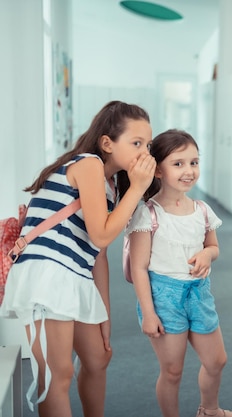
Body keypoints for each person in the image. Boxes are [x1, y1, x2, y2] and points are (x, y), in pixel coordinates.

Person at [0, 101, 156, 417]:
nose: (144, 152)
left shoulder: (111, 186)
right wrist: (137, 189)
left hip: (75, 275)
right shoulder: (88, 165)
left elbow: (97, 254)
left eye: (148, 145)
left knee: (98, 358)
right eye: (136, 143)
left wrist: (105, 317)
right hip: (48, 274)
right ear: (107, 143)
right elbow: (101, 235)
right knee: (57, 376)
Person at [126, 129, 232, 417]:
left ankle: (209, 411)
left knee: (216, 361)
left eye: (194, 162)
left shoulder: (202, 210)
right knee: (173, 370)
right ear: (159, 170)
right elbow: (139, 268)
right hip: (164, 298)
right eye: (178, 164)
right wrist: (149, 314)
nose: (189, 171)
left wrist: (206, 253)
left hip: (198, 293)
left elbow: (213, 247)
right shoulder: (147, 213)